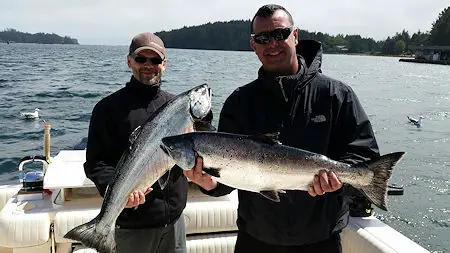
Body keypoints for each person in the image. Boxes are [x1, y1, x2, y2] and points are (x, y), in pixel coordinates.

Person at [185, 4, 380, 253]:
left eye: (280, 34)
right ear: (253, 45)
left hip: (320, 241)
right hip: (255, 240)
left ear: (295, 36)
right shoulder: (239, 102)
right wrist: (208, 183)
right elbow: (228, 180)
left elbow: (365, 155)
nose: (272, 44)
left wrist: (339, 181)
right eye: (262, 38)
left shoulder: (336, 95)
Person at [84, 32, 190, 253]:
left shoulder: (178, 108)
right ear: (129, 61)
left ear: (164, 64)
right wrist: (119, 193)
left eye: (156, 60)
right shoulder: (107, 109)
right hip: (132, 227)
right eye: (141, 59)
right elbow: (96, 163)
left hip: (175, 221)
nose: (148, 65)